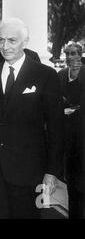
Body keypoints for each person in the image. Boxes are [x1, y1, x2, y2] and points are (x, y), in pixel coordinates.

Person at [0, 17, 64, 219]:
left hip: (30, 170)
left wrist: (52, 171)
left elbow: (56, 127)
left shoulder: (45, 75)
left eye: (12, 40)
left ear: (25, 41)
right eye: (1, 40)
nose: (5, 46)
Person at [58, 43, 85, 218]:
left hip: (83, 133)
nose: (70, 57)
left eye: (74, 53)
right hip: (67, 135)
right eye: (67, 54)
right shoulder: (60, 75)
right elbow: (54, 100)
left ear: (81, 55)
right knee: (71, 179)